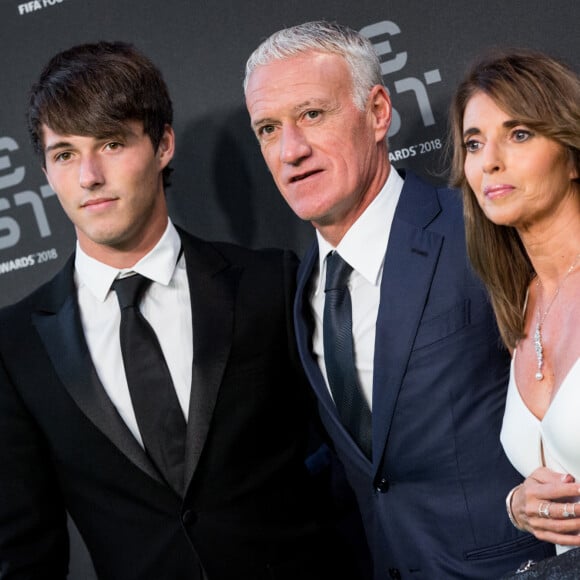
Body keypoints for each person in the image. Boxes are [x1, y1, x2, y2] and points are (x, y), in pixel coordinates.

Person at [0, 41, 356, 580]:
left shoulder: (268, 282)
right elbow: (27, 551)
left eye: (112, 144)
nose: (89, 176)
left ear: (163, 144)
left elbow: (347, 466)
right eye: (65, 154)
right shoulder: (17, 345)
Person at [244, 21, 554, 579]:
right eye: (269, 128)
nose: (291, 150)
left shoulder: (479, 230)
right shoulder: (301, 290)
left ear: (379, 112)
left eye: (312, 114)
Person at [450, 48, 580, 558]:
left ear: (571, 154)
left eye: (519, 134)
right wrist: (519, 504)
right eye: (474, 143)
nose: (491, 161)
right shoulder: (520, 302)